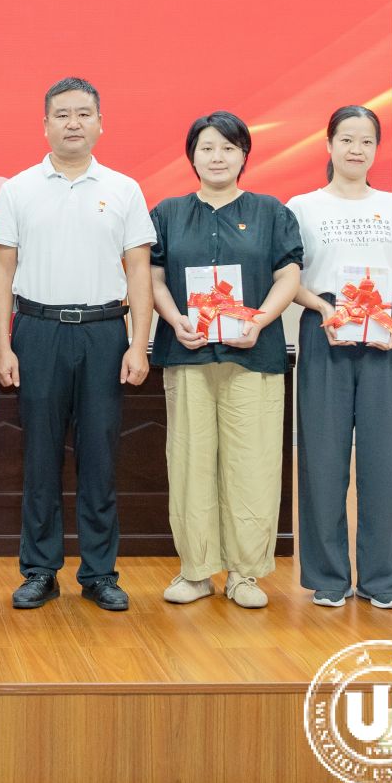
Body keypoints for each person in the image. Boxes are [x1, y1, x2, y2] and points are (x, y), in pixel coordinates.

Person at [0, 77, 154, 612]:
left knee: (100, 457)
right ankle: (40, 570)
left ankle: (100, 572)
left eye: (84, 113)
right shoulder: (18, 189)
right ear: (45, 125)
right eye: (62, 114)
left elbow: (139, 271)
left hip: (105, 332)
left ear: (100, 123)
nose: (73, 123)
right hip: (38, 332)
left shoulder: (125, 189)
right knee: (39, 457)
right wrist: (3, 346)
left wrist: (139, 344)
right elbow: (1, 272)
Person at [147, 111, 303, 610]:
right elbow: (152, 278)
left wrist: (259, 320)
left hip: (253, 355)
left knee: (252, 463)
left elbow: (289, 274)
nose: (217, 157)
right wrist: (175, 319)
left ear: (244, 155)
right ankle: (195, 571)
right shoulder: (167, 213)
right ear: (192, 156)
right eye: (207, 148)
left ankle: (244, 573)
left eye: (228, 148)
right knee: (190, 462)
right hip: (187, 352)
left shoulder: (271, 211)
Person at [287, 106, 392, 610]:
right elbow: (289, 279)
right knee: (322, 457)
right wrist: (322, 307)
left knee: (386, 459)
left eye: (366, 141)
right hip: (325, 331)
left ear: (376, 149)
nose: (355, 149)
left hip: (384, 336)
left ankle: (383, 579)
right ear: (328, 145)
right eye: (346, 139)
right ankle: (328, 577)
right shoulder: (302, 207)